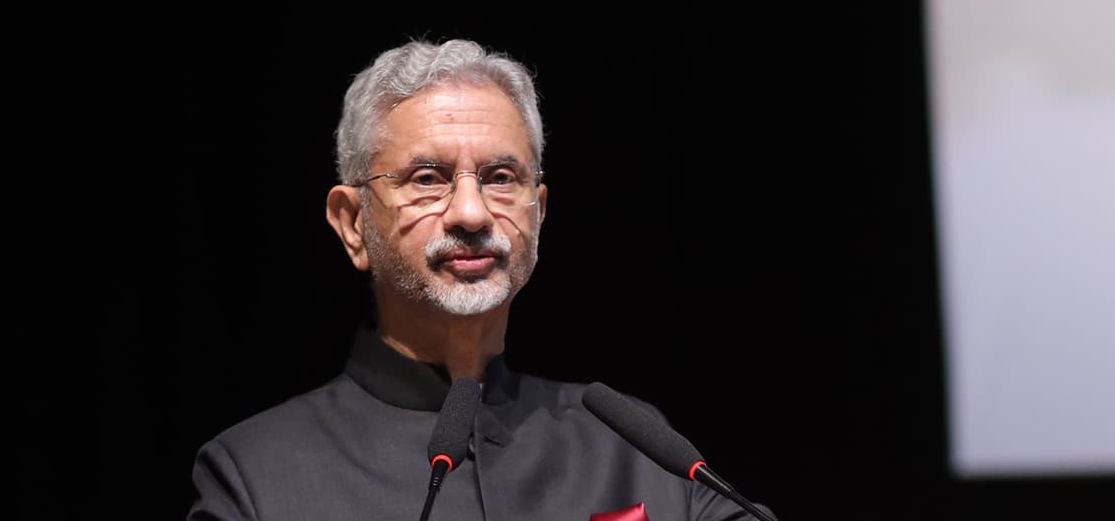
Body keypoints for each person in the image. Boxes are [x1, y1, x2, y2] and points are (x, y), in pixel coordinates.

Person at [187, 38, 774, 520]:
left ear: (538, 213)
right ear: (352, 224)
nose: (471, 213)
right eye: (427, 177)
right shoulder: (256, 476)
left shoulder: (636, 447)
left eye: (499, 176)